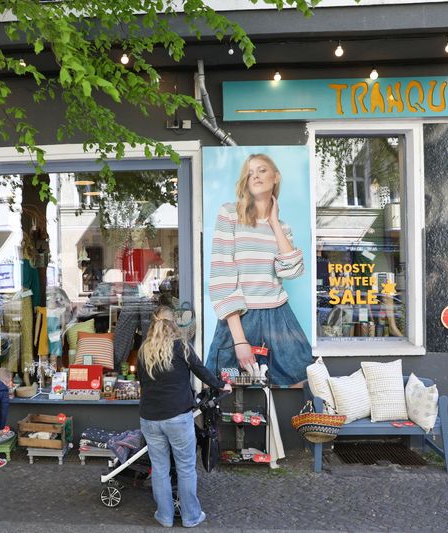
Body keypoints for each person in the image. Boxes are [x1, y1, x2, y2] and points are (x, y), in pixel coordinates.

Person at [206, 153, 312, 387]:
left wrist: (274, 222)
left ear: (276, 177)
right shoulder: (230, 214)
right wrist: (240, 341)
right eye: (250, 172)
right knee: (224, 386)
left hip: (278, 315)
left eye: (262, 170)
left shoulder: (283, 228)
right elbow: (222, 277)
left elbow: (291, 271)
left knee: (301, 381)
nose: (255, 175)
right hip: (240, 316)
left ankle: (280, 425)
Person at [138, 306, 231, 528]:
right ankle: (191, 517)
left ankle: (165, 517)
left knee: (159, 468)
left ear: (153, 324)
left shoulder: (144, 350)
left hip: (150, 418)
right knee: (186, 467)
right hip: (178, 416)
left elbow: (143, 383)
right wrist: (222, 385)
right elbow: (202, 371)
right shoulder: (181, 347)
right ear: (174, 324)